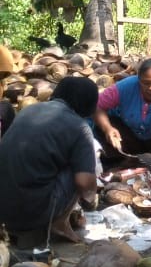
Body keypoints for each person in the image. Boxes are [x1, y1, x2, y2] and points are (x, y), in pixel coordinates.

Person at [0, 76, 99, 245]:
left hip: (4, 207)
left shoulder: (29, 110)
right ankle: (59, 223)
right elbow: (84, 182)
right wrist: (91, 198)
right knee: (82, 170)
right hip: (32, 212)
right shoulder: (80, 127)